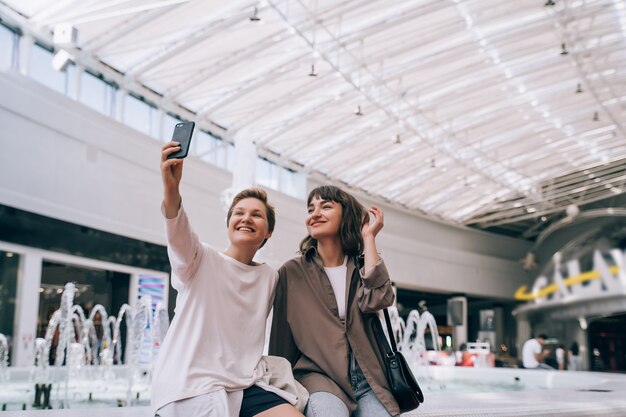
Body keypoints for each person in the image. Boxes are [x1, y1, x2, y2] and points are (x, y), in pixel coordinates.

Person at [152, 141, 304, 417]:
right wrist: (171, 188)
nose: (246, 218)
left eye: (256, 215)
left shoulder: (269, 276)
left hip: (243, 385)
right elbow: (177, 230)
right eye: (239, 213)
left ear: (268, 231)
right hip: (190, 386)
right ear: (229, 223)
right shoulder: (199, 259)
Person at [269, 185, 401, 417]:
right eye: (311, 209)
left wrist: (369, 237)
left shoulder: (362, 267)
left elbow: (380, 299)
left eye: (326, 206)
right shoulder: (292, 272)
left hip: (369, 380)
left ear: (346, 215)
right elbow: (281, 335)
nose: (315, 213)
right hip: (320, 378)